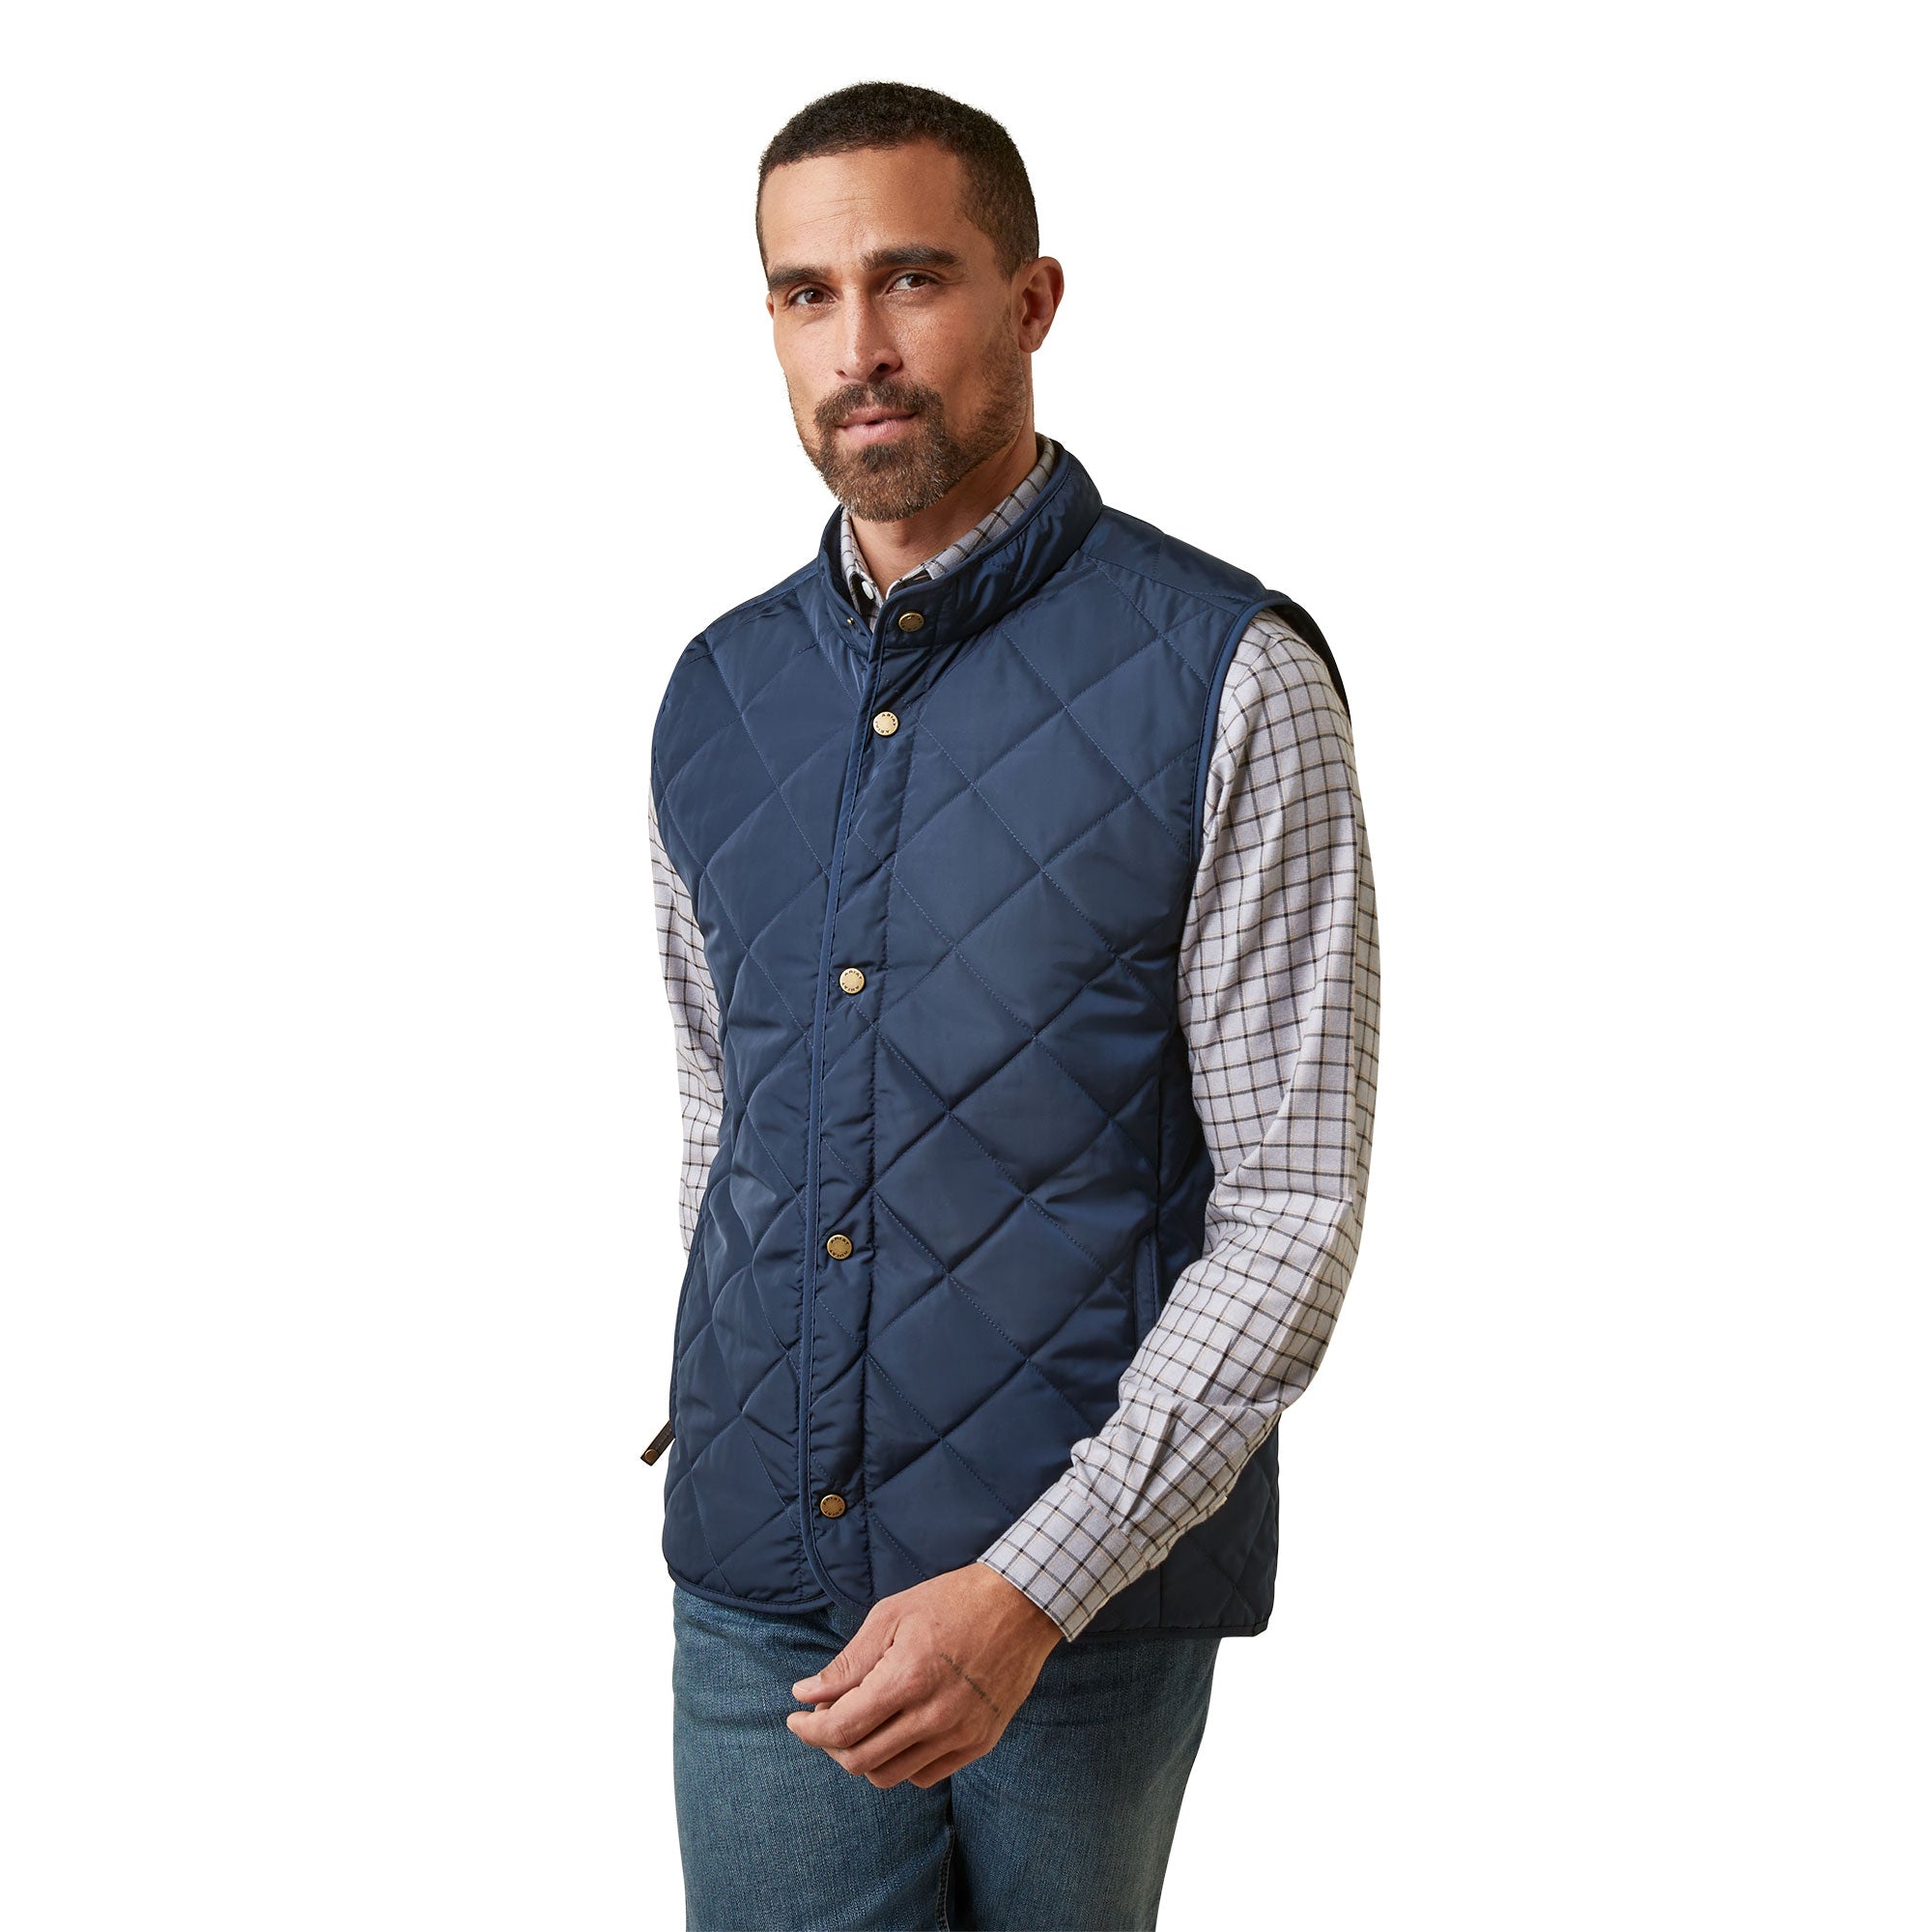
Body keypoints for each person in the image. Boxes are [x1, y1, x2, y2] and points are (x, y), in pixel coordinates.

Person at [643, 79, 1380, 1932]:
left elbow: (1291, 1206)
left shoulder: (1231, 674)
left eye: (911, 278)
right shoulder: (715, 697)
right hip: (757, 1592)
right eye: (805, 294)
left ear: (1033, 300)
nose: (859, 349)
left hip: (1078, 1611)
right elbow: (722, 1117)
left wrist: (1035, 1585)